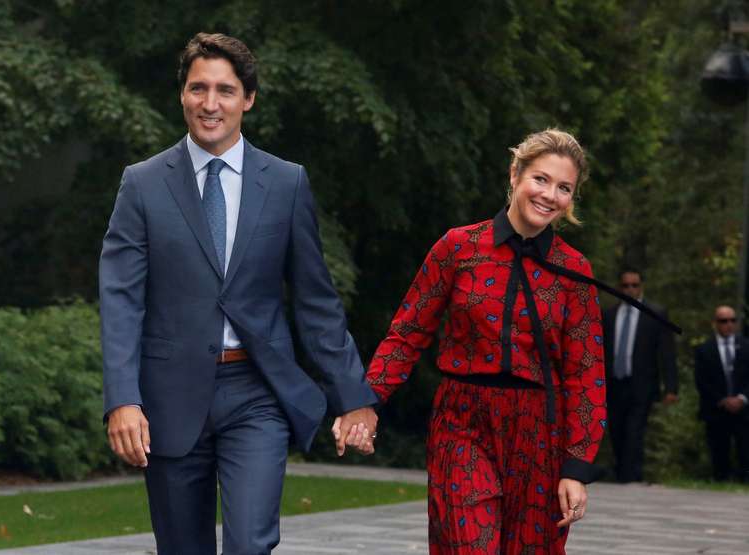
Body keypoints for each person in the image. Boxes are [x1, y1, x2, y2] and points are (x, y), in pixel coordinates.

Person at [99, 32, 377, 555]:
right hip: (169, 396)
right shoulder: (141, 184)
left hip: (256, 391)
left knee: (251, 544)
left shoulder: (288, 183)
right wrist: (123, 398)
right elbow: (120, 299)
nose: (210, 104)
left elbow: (316, 303)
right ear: (181, 94)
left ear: (247, 99)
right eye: (198, 88)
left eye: (225, 90)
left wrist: (354, 396)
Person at [337, 129, 607, 554]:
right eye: (540, 179)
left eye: (564, 188)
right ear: (515, 174)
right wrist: (366, 401)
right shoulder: (458, 247)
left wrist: (576, 467)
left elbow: (586, 376)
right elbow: (407, 334)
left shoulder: (574, 271)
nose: (549, 195)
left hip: (540, 436)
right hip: (463, 423)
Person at [602, 268, 678, 483]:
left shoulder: (655, 314)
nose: (630, 289)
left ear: (641, 287)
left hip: (642, 384)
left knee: (634, 431)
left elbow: (666, 352)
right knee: (616, 430)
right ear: (619, 287)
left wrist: (671, 387)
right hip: (614, 383)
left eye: (634, 285)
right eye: (625, 285)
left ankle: (631, 476)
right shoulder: (609, 314)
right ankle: (622, 474)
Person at [694, 305, 749, 482]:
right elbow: (702, 380)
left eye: (732, 320)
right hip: (716, 408)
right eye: (724, 321)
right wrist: (722, 400)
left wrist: (741, 398)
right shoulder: (704, 350)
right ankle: (721, 478)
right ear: (715, 323)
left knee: (744, 447)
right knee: (719, 448)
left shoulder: (746, 346)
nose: (729, 325)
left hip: (744, 408)